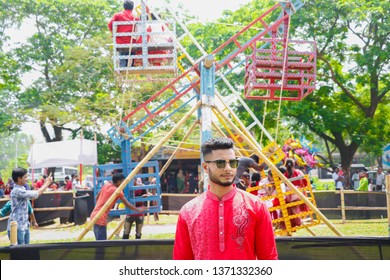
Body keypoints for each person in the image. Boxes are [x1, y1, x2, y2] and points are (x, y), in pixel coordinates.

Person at [173, 138, 278, 260]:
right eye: (220, 163)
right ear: (206, 167)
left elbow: (269, 258)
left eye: (232, 163)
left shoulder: (256, 206)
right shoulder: (188, 211)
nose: (228, 168)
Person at [90, 173, 147, 240]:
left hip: (94, 215)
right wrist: (138, 209)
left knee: (99, 242)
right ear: (119, 182)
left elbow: (97, 197)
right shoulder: (117, 191)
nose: (124, 184)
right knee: (102, 244)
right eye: (123, 182)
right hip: (101, 218)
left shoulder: (106, 185)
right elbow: (127, 204)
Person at [7, 167, 52, 245]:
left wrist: (34, 222)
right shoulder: (17, 191)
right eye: (25, 177)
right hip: (17, 227)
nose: (27, 179)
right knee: (20, 254)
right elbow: (35, 194)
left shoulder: (22, 189)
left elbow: (29, 207)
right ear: (19, 178)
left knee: (26, 251)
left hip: (24, 225)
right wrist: (47, 184)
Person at [108, 0, 140, 68]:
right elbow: (139, 29)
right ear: (132, 8)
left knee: (122, 58)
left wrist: (113, 33)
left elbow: (110, 24)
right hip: (131, 42)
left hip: (120, 42)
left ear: (124, 6)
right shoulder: (135, 17)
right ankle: (131, 66)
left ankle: (123, 68)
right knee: (131, 54)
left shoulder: (118, 15)